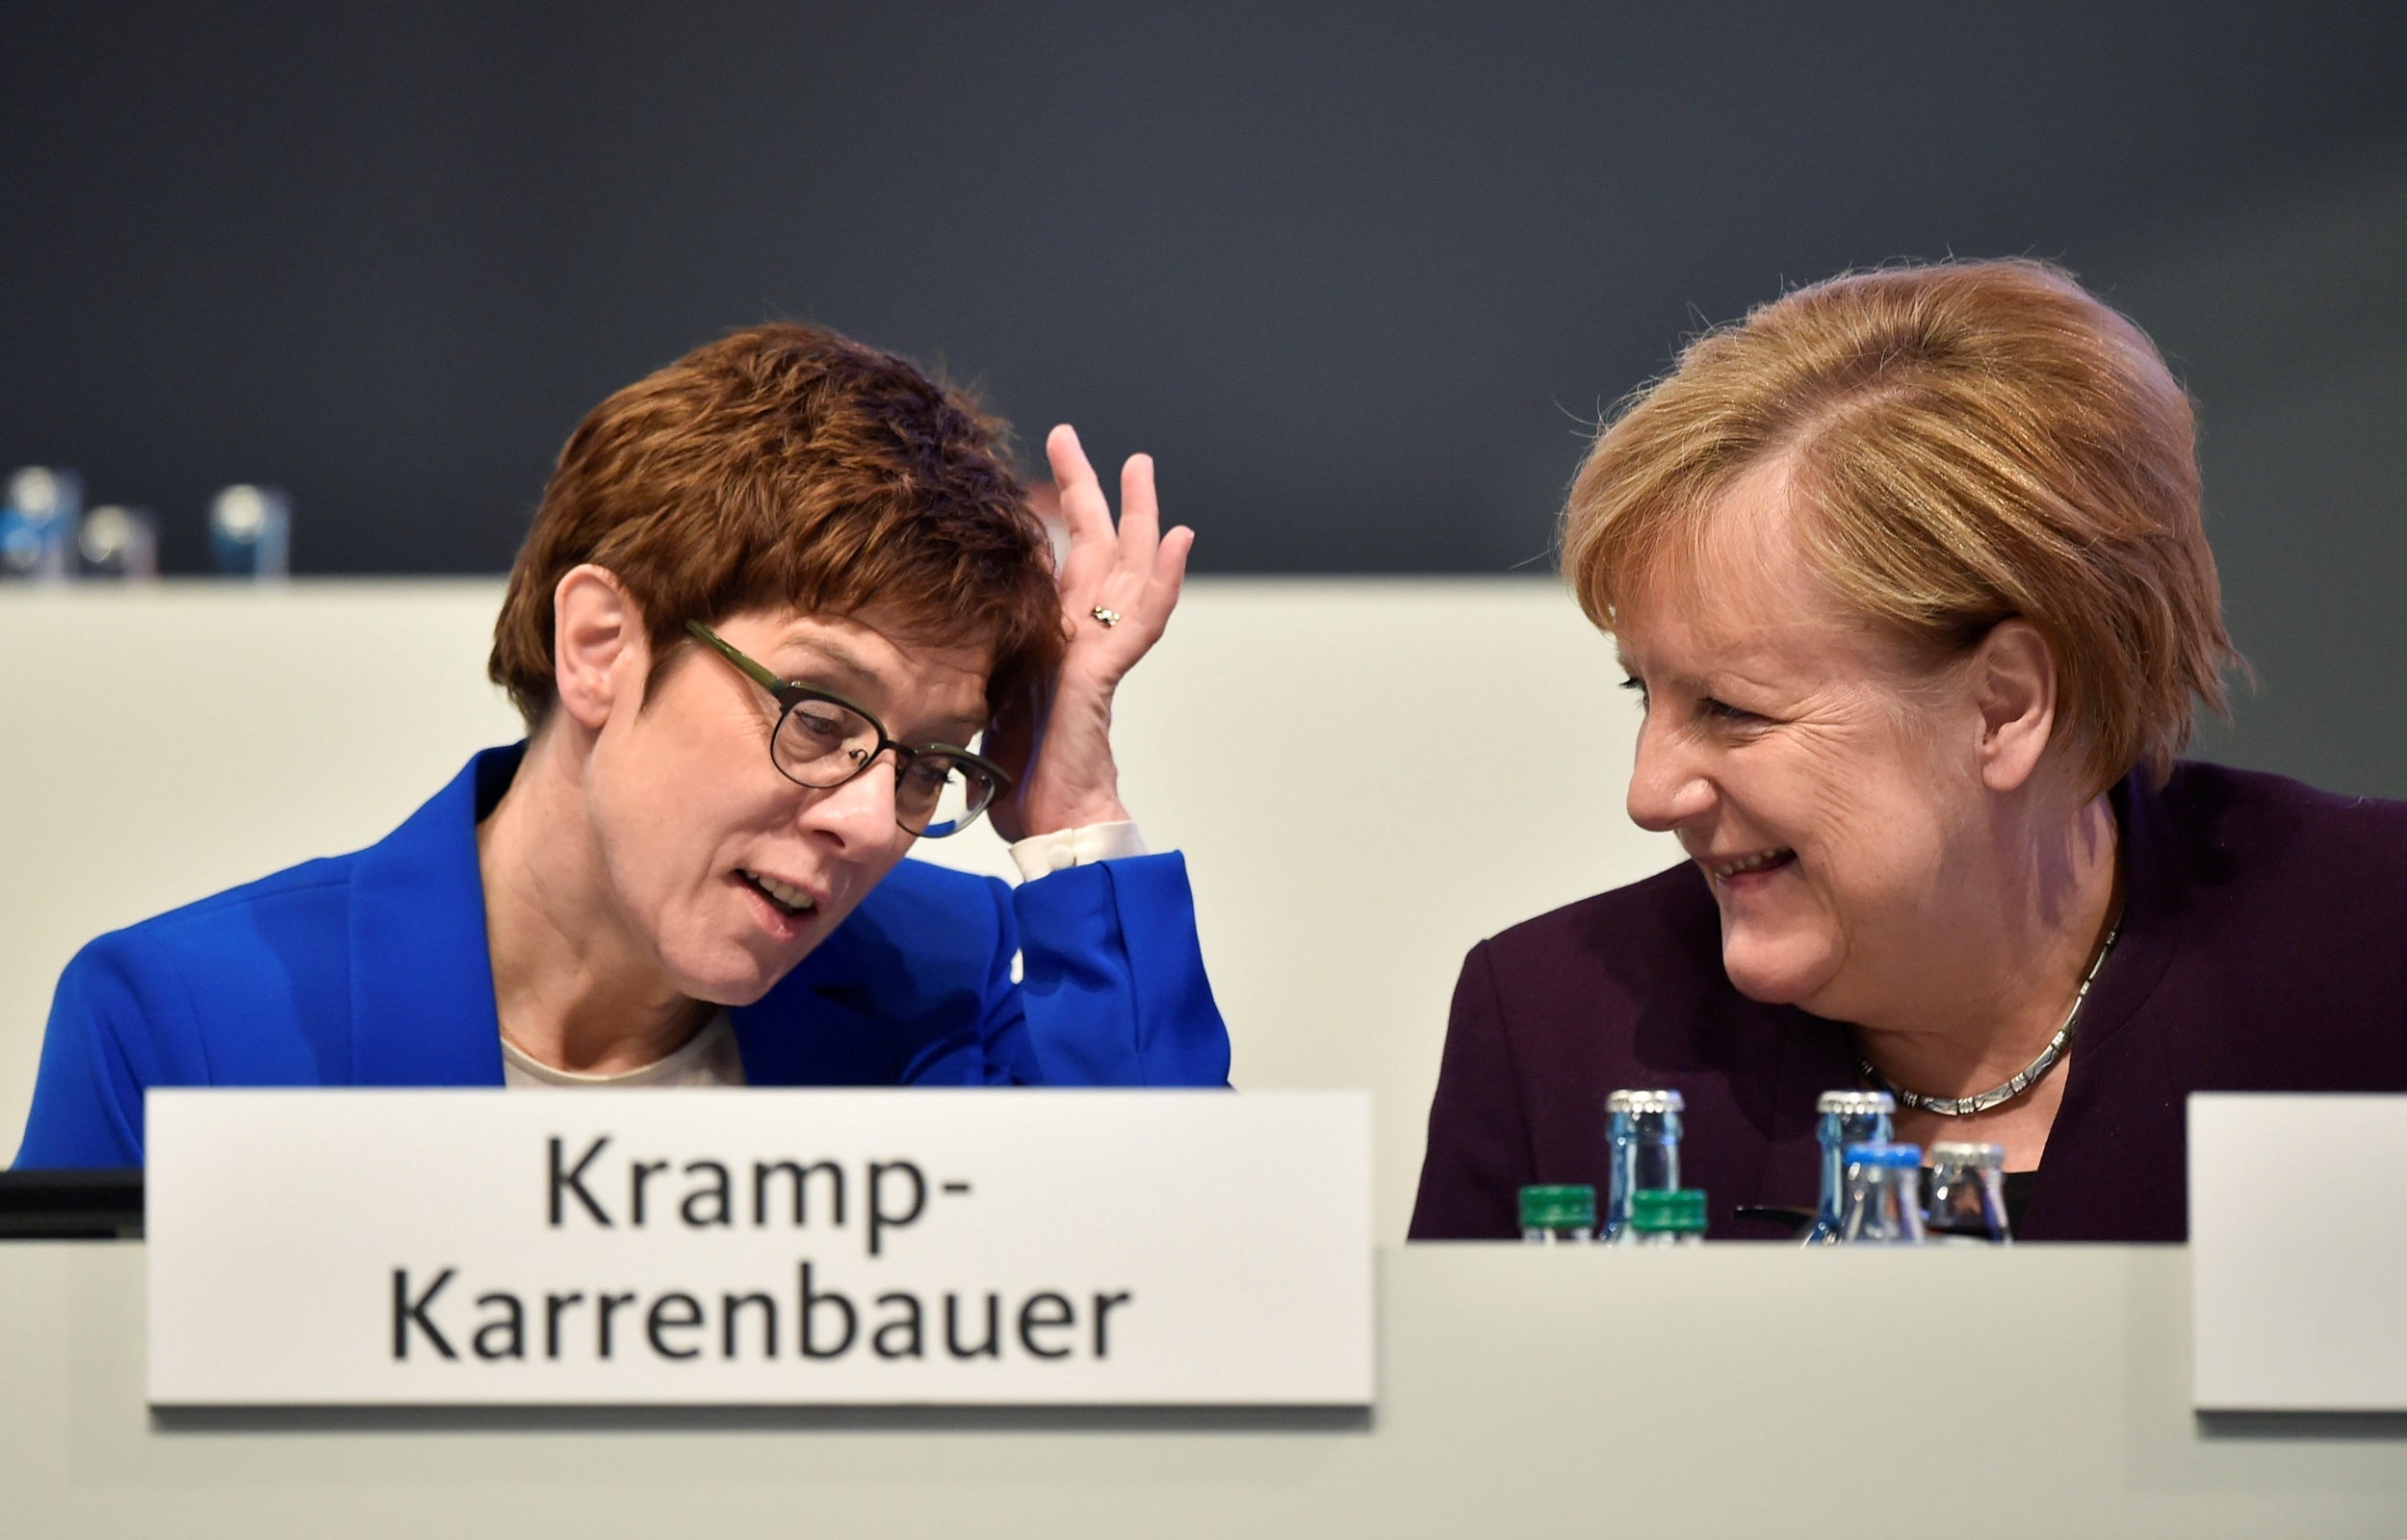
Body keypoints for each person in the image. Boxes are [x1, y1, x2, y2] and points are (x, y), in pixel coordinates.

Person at [14, 323, 1229, 1168]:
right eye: (817, 715)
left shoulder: (947, 982)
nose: (871, 823)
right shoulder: (186, 1027)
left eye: (926, 764)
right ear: (601, 645)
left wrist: (1070, 813)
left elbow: (1195, 1295)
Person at [1411, 259, 2407, 1243]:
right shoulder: (1553, 1031)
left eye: (1733, 709)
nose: (1649, 790)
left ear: (2004, 707)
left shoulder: (2371, 951)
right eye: (1644, 691)